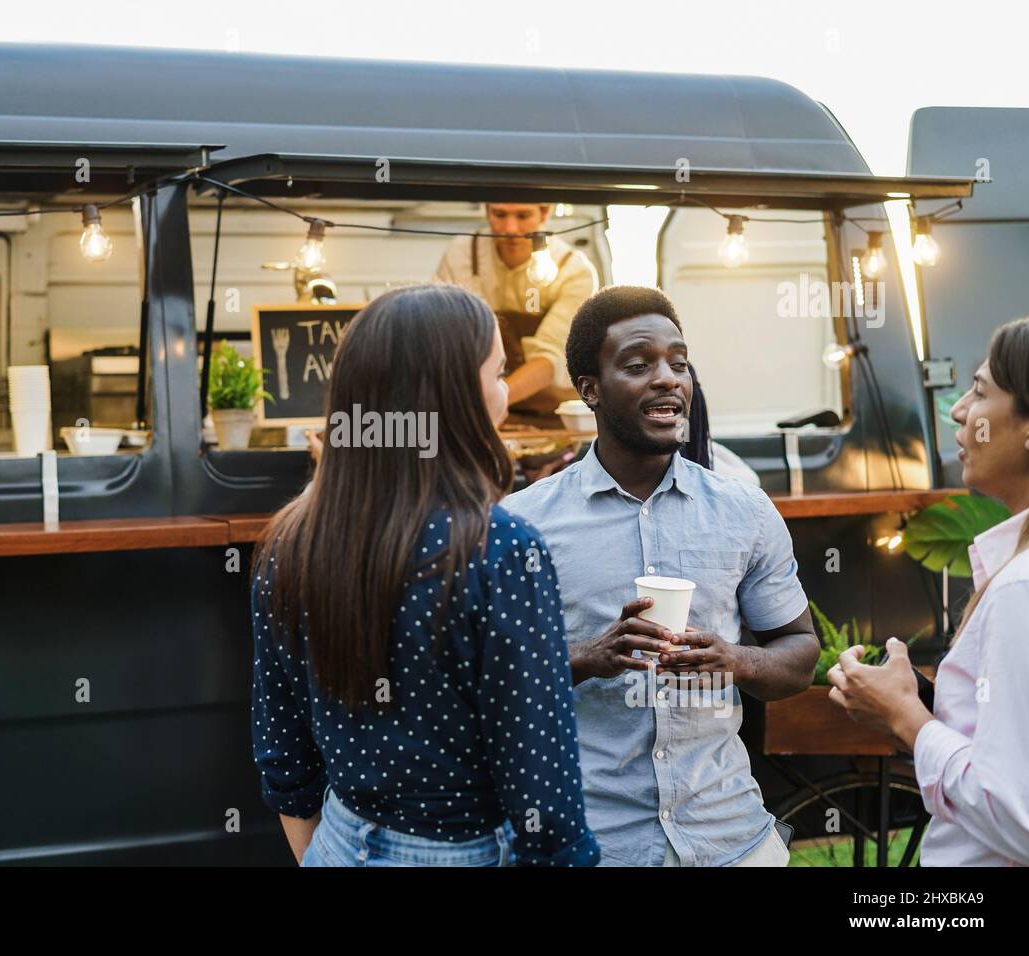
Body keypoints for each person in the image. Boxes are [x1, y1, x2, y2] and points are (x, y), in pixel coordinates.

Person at [250, 283, 600, 866]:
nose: (506, 392)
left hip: (337, 841)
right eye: (497, 373)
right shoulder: (503, 551)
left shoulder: (290, 541)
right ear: (456, 396)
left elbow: (283, 752)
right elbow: (545, 797)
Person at [503, 285, 819, 867]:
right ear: (589, 390)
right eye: (638, 363)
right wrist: (586, 657)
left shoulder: (744, 510)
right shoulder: (526, 524)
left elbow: (799, 652)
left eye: (679, 362)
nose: (669, 377)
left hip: (731, 839)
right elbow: (486, 676)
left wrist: (736, 659)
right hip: (592, 843)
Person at [828, 316, 1029, 866]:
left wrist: (904, 716)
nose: (960, 410)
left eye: (981, 392)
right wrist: (920, 700)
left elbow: (1017, 816)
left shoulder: (1022, 589)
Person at [434, 203, 598, 424]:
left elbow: (549, 357)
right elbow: (439, 333)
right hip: (479, 404)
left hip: (553, 414)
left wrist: (486, 405)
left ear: (544, 212)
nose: (510, 228)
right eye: (500, 215)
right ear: (487, 210)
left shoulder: (574, 271)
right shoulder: (462, 254)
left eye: (523, 216)